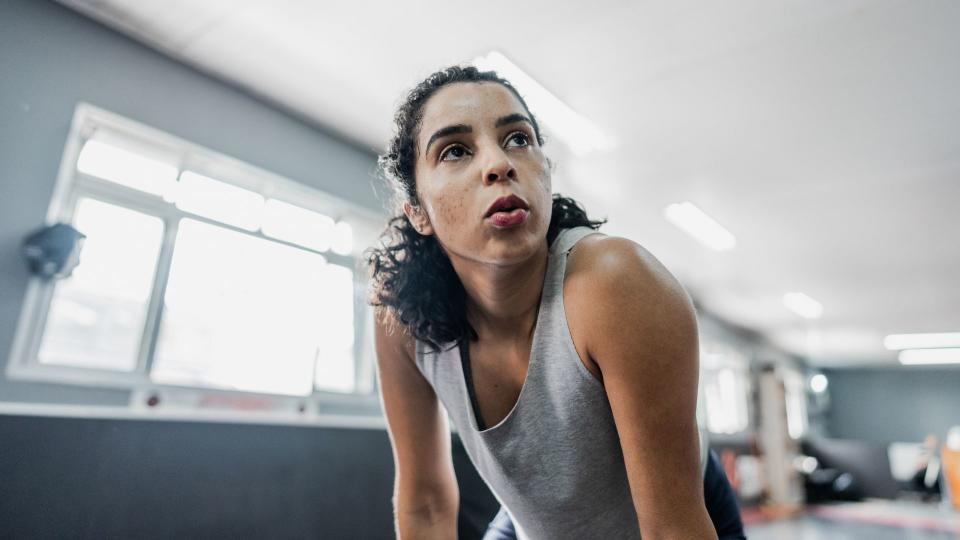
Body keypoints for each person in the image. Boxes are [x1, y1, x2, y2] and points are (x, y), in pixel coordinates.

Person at [368, 65, 735, 539]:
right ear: (417, 211)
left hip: (680, 513)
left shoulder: (617, 284)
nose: (499, 164)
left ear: (546, 170)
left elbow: (670, 529)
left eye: (518, 139)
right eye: (456, 150)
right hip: (530, 523)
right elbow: (425, 504)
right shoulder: (401, 318)